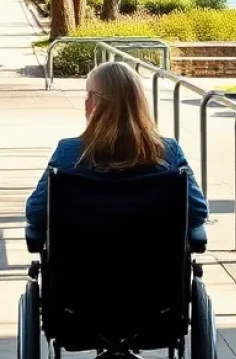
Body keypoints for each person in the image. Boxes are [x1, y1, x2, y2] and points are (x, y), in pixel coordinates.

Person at [24, 61, 208, 251]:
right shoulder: (168, 152)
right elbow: (197, 212)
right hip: (156, 274)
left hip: (80, 274)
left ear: (92, 103)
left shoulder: (67, 153)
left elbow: (35, 213)